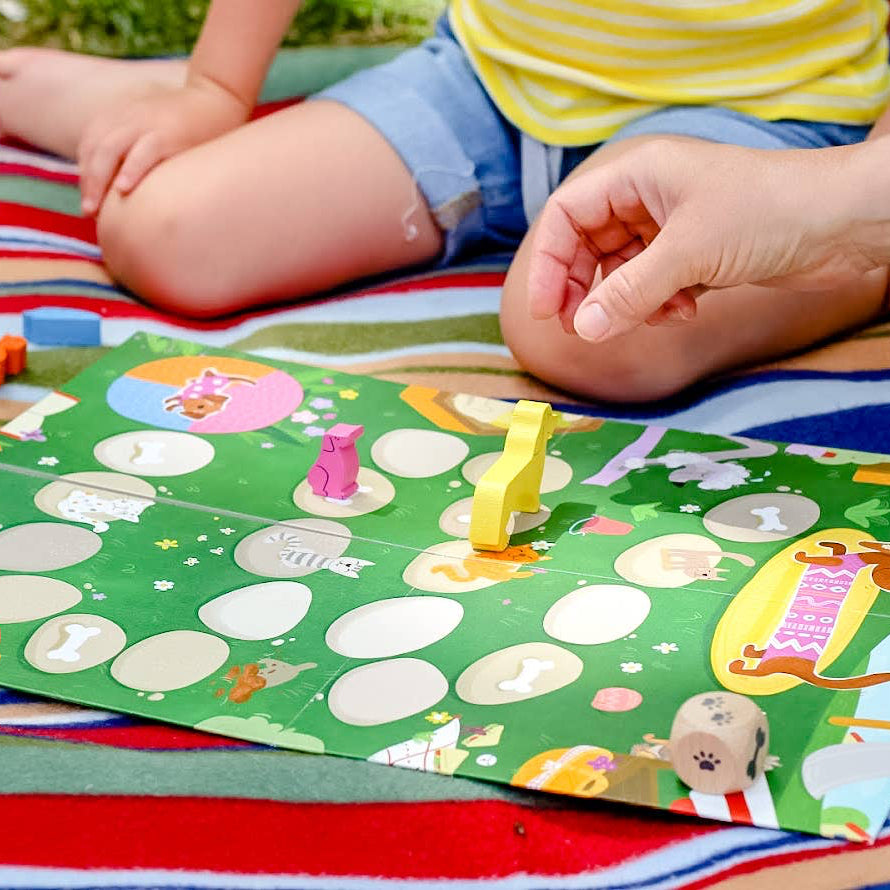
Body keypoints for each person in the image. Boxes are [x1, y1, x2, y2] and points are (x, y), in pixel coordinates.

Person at [1, 0, 889, 402]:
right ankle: (137, 100)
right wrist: (214, 86)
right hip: (493, 87)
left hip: (767, 121)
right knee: (163, 229)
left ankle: (847, 254)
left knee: (581, 331)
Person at [528, 136, 890, 347]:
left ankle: (864, 266)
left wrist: (848, 215)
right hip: (501, 76)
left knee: (559, 339)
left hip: (762, 104)